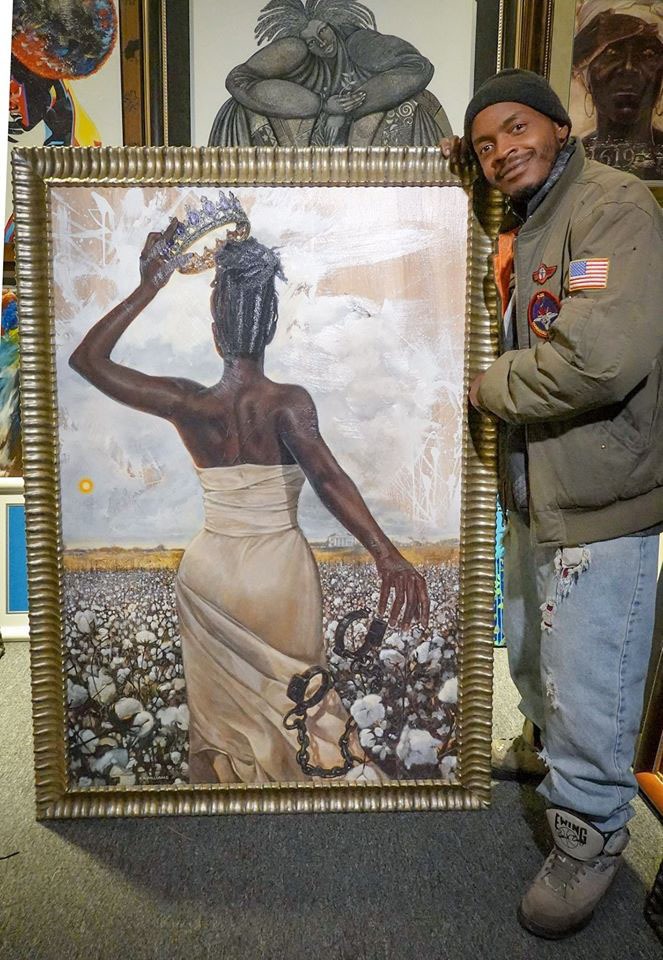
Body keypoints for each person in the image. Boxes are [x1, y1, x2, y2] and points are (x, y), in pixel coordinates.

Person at [69, 221, 429, 785]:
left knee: (222, 730)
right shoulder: (288, 403)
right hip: (278, 573)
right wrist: (385, 552)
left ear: (215, 327)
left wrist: (148, 287)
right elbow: (330, 479)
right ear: (272, 324)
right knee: (299, 711)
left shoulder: (186, 402)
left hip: (207, 573)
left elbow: (88, 360)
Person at [442, 68, 663, 938]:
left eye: (515, 130)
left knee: (591, 680)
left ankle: (588, 834)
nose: (501, 151)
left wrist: (488, 385)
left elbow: (600, 357)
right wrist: (455, 164)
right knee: (534, 644)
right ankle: (542, 747)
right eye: (485, 143)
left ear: (558, 126)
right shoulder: (538, 211)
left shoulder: (611, 206)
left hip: (601, 493)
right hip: (542, 484)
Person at [208, 0, 450, 147]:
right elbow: (238, 80)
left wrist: (348, 108)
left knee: (416, 104)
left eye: (323, 31)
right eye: (312, 42)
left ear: (332, 25)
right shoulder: (296, 50)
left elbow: (418, 67)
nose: (322, 43)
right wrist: (324, 106)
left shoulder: (358, 44)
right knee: (237, 107)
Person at [572, 2, 663, 179]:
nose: (629, 68)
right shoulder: (567, 163)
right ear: (585, 74)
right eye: (611, 53)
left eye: (648, 54)